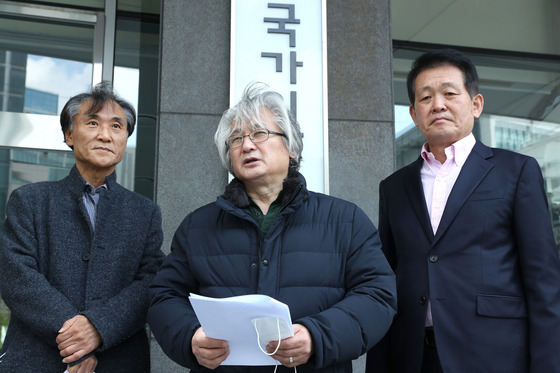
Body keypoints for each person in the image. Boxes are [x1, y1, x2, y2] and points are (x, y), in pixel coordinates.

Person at [147, 82, 397, 372]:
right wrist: (190, 337)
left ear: (291, 148)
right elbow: (164, 295)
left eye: (259, 133)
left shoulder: (346, 219)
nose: (247, 145)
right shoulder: (198, 226)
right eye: (236, 139)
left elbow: (377, 294)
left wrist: (317, 336)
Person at [366, 49, 560, 373]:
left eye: (449, 93)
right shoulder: (395, 187)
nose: (437, 104)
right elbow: (387, 279)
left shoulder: (516, 171)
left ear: (476, 104)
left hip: (494, 355)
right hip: (414, 357)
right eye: (425, 97)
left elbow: (543, 281)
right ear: (414, 114)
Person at [0, 82, 164, 372]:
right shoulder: (30, 200)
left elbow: (151, 281)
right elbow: (16, 276)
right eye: (92, 123)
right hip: (35, 358)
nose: (105, 135)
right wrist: (75, 339)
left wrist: (99, 327)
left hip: (119, 361)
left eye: (117, 126)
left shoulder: (145, 212)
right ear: (69, 135)